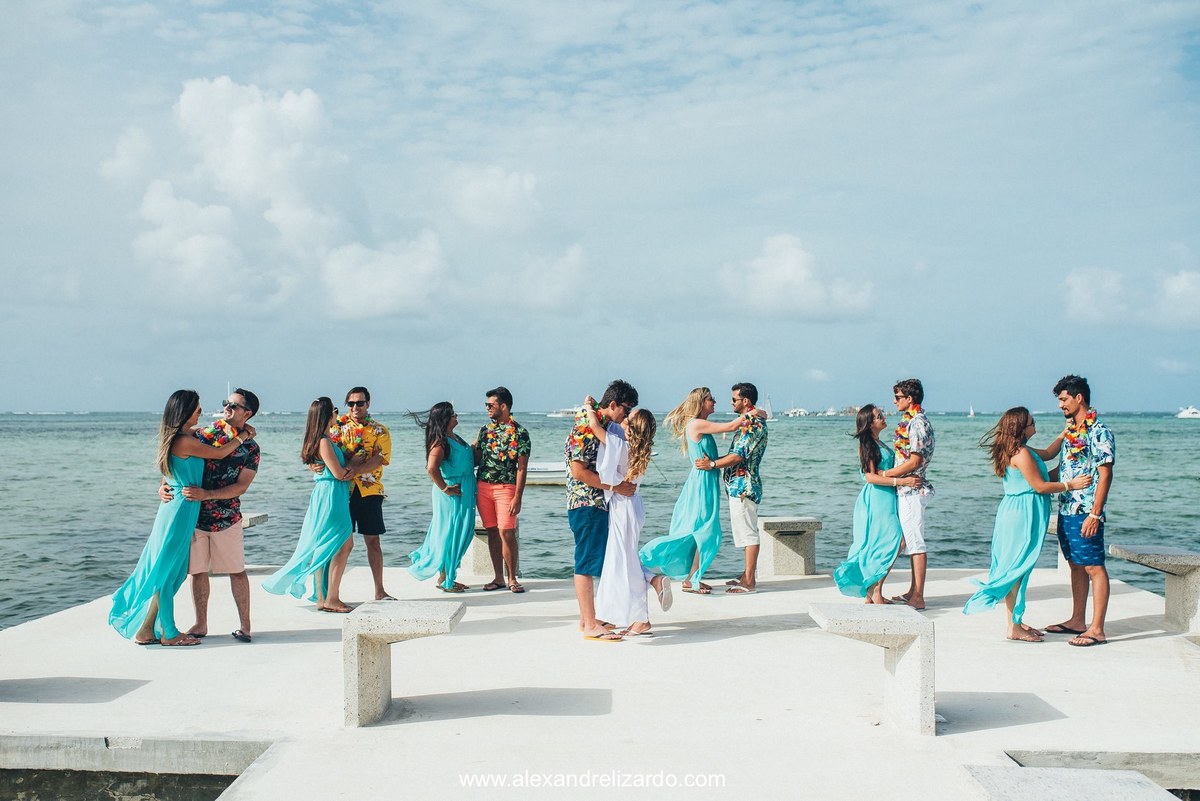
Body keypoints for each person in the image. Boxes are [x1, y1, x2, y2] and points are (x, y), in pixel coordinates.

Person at [110, 390, 251, 646]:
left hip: (184, 510)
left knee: (175, 574)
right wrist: (242, 436)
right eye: (197, 408)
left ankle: (147, 630)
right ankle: (170, 633)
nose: (201, 411)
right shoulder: (183, 441)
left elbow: (174, 470)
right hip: (178, 512)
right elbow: (219, 454)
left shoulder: (188, 437)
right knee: (168, 573)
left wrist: (165, 484)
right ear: (185, 412)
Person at [965, 407, 1091, 641]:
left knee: (1019, 568)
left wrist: (1066, 436)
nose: (1036, 426)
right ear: (1022, 428)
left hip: (1022, 511)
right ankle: (1014, 626)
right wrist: (1070, 485)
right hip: (1021, 515)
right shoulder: (1020, 454)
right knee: (1017, 568)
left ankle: (1016, 622)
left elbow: (1048, 454)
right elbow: (1041, 486)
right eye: (1033, 423)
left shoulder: (1023, 450)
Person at [159, 388, 261, 643]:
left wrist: (208, 494)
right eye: (226, 403)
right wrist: (163, 484)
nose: (227, 407)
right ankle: (201, 623)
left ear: (247, 413)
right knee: (197, 572)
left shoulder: (251, 447)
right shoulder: (204, 434)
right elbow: (176, 460)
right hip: (192, 517)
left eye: (234, 406)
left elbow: (241, 486)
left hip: (226, 517)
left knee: (237, 570)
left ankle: (245, 625)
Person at [263, 398, 384, 612]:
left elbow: (334, 468)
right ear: (328, 415)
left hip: (330, 494)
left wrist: (350, 463)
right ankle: (331, 598)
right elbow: (339, 474)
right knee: (344, 545)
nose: (338, 414)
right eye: (335, 410)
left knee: (325, 546)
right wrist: (362, 465)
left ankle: (322, 597)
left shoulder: (325, 439)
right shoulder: (324, 441)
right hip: (331, 496)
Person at [639, 387, 761, 595]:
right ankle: (648, 558)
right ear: (701, 403)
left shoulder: (701, 425)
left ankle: (692, 578)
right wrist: (756, 413)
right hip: (701, 483)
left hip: (707, 481)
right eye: (710, 399)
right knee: (704, 531)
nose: (715, 402)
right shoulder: (696, 424)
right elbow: (732, 425)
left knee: (703, 530)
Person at [585, 399, 669, 636]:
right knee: (623, 560)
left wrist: (589, 408)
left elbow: (595, 427)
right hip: (633, 506)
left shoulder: (621, 446)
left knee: (625, 561)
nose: (624, 419)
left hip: (623, 508)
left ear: (632, 428)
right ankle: (628, 610)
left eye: (628, 419)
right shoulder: (639, 449)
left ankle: (642, 615)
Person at [1044, 375, 1116, 647]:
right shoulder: (1071, 432)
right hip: (1066, 508)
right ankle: (1077, 620)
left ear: (1078, 398)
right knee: (1075, 564)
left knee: (1094, 566)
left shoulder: (1099, 431)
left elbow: (1105, 473)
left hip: (1086, 510)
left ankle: (1097, 629)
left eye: (1063, 399)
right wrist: (1030, 480)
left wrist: (1095, 514)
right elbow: (1063, 470)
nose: (1060, 405)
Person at [565, 380, 639, 641]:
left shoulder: (602, 422)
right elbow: (579, 471)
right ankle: (589, 624)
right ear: (613, 405)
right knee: (585, 562)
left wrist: (588, 405)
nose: (626, 416)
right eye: (625, 409)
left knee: (593, 559)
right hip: (586, 502)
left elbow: (589, 403)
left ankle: (589, 619)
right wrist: (617, 486)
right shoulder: (586, 429)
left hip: (598, 503)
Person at [833, 405, 921, 603]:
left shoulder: (878, 442)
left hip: (887, 496)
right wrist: (902, 481)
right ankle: (874, 589)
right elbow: (870, 477)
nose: (884, 417)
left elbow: (881, 471)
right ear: (870, 423)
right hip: (877, 498)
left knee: (886, 543)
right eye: (879, 416)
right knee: (896, 541)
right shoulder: (867, 444)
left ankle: (874, 592)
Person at [332, 387, 395, 601]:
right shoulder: (336, 427)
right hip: (342, 491)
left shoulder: (380, 430)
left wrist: (355, 470)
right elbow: (324, 452)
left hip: (370, 490)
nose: (355, 407)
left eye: (360, 403)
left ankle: (380, 590)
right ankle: (333, 594)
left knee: (373, 541)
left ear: (368, 404)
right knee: (341, 543)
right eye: (351, 403)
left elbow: (381, 458)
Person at [408, 402, 477, 593]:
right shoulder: (440, 442)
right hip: (452, 494)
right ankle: (446, 578)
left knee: (462, 532)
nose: (456, 416)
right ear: (445, 419)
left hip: (464, 490)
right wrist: (445, 488)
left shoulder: (454, 437)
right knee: (452, 533)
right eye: (453, 414)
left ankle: (446, 575)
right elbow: (432, 468)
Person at [473, 386, 531, 593]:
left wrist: (518, 496)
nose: (487, 408)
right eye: (486, 405)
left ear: (503, 406)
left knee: (507, 532)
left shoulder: (521, 433)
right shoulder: (485, 430)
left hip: (506, 488)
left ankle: (512, 578)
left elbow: (522, 468)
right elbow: (475, 458)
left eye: (491, 405)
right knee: (491, 531)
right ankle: (498, 577)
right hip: (483, 486)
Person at [714, 382, 769, 594]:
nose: (732, 403)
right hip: (741, 485)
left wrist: (712, 464)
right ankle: (746, 575)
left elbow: (738, 455)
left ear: (745, 401)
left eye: (734, 399)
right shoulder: (753, 420)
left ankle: (749, 582)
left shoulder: (753, 425)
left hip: (744, 486)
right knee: (746, 530)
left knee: (748, 533)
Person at [889, 378, 935, 610]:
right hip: (909, 488)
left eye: (898, 397)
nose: (894, 401)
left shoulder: (917, 423)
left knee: (915, 542)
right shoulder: (912, 421)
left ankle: (919, 596)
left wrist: (887, 474)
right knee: (909, 539)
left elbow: (915, 460)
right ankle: (912, 591)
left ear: (910, 399)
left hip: (912, 489)